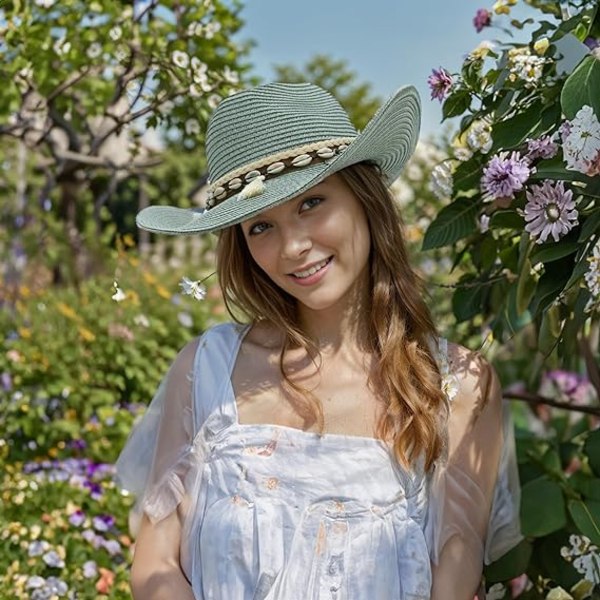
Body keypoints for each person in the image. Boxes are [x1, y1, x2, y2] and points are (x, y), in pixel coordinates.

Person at [116, 82, 522, 600]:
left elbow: (457, 567)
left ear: (364, 199)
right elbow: (155, 562)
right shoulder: (207, 371)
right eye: (260, 226)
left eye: (311, 202)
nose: (293, 247)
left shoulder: (454, 386)